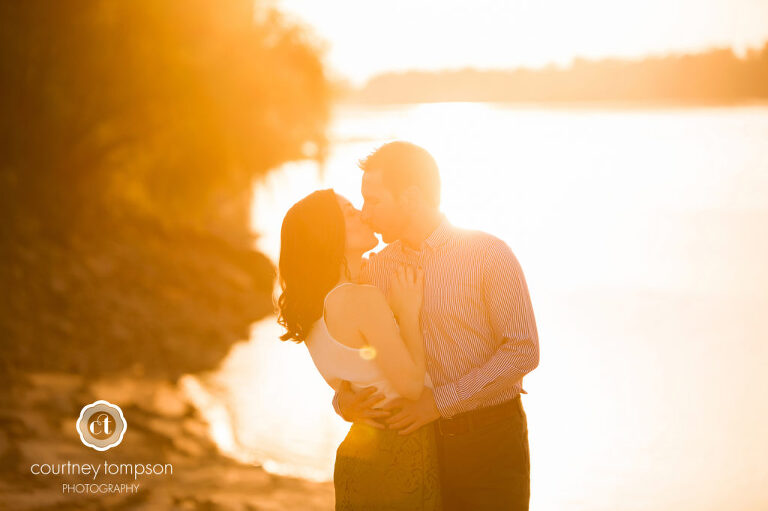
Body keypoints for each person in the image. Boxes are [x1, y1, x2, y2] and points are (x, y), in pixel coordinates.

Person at [334, 141, 540, 511]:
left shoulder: (488, 254)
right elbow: (355, 352)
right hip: (412, 447)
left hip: (490, 444)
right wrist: (345, 401)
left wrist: (438, 403)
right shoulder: (375, 271)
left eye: (374, 201)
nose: (365, 214)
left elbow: (522, 351)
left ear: (410, 197)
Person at [277, 189, 441, 510]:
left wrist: (342, 401)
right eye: (351, 212)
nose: (364, 215)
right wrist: (408, 314)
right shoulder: (359, 299)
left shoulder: (313, 308)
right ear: (331, 234)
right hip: (399, 452)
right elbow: (409, 386)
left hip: (359, 456)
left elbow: (350, 380)